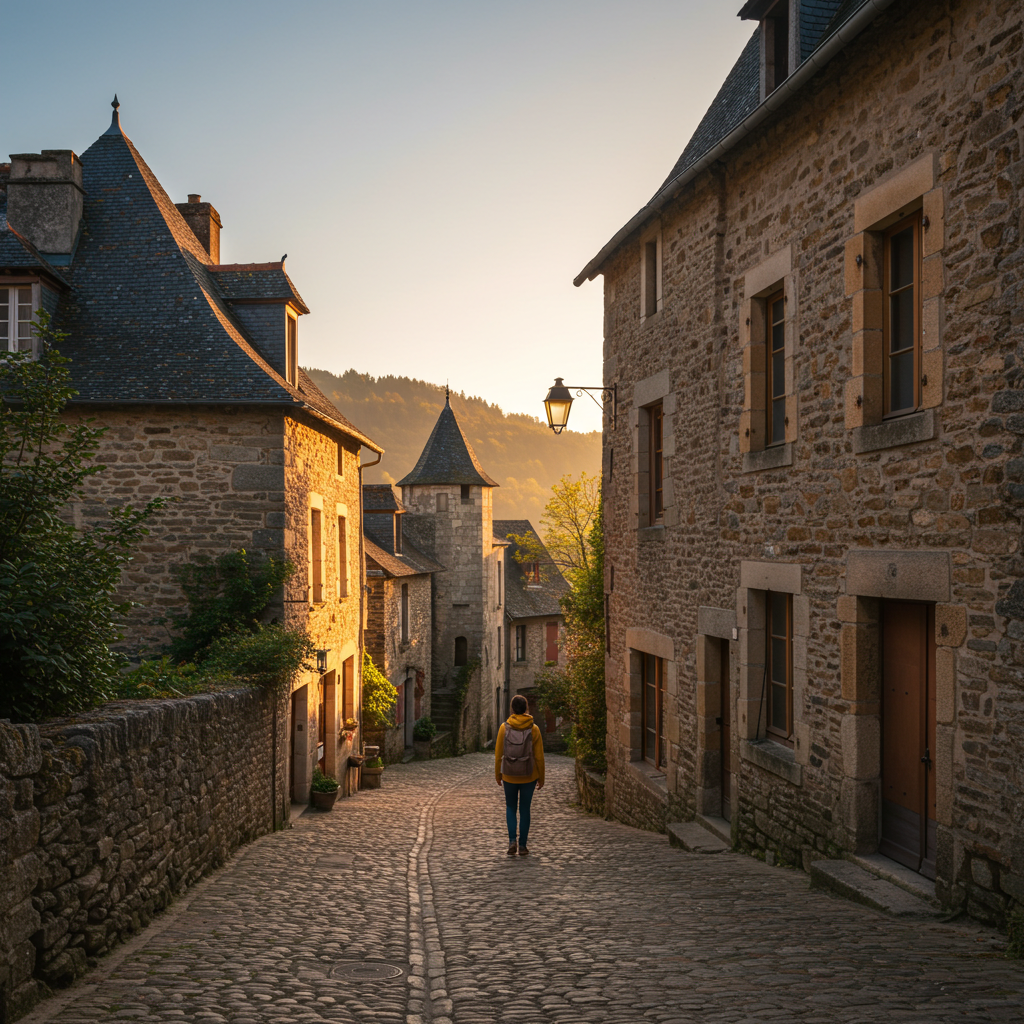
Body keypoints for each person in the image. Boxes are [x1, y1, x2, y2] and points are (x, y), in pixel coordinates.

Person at [495, 693, 545, 856]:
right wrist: (541, 777)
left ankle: (512, 841)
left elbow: (498, 754)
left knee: (510, 807)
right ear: (526, 709)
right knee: (525, 809)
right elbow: (539, 756)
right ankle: (522, 845)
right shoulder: (534, 728)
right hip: (529, 775)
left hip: (509, 774)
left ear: (512, 709)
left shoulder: (504, 728)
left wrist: (498, 774)